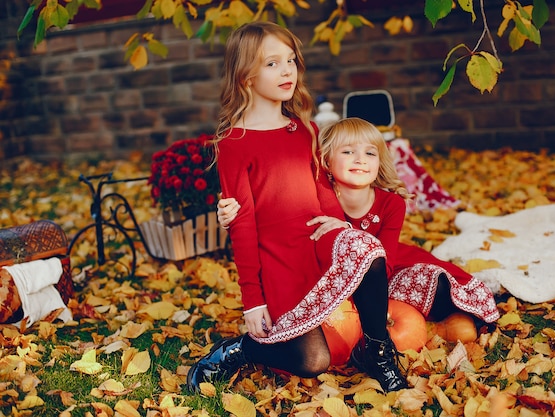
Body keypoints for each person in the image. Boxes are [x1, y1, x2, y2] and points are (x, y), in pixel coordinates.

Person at [186, 22, 408, 393]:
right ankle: (241, 349)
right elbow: (243, 226)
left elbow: (323, 190)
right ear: (246, 76)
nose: (288, 70)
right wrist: (252, 301)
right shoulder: (233, 143)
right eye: (272, 63)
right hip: (279, 261)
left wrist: (338, 226)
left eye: (291, 60)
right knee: (313, 361)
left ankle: (378, 350)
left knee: (366, 247)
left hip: (317, 244)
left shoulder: (304, 129)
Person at [218, 118, 500, 340]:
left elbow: (386, 262)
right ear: (326, 161)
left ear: (380, 162)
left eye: (369, 153)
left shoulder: (391, 204)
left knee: (438, 284)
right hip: (337, 280)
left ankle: (436, 319)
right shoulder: (317, 196)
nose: (360, 159)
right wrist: (230, 214)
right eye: (348, 152)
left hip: (388, 271)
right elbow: (275, 205)